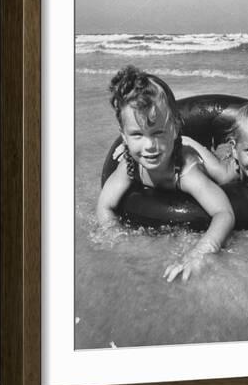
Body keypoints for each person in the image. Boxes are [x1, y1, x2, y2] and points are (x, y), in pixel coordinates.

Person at [97, 65, 235, 282]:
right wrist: (112, 232)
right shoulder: (130, 165)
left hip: (190, 155)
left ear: (174, 128)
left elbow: (224, 213)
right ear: (124, 137)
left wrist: (199, 253)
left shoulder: (187, 172)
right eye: (137, 134)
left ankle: (195, 143)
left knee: (225, 176)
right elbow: (105, 204)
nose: (149, 145)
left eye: (158, 132)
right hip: (173, 145)